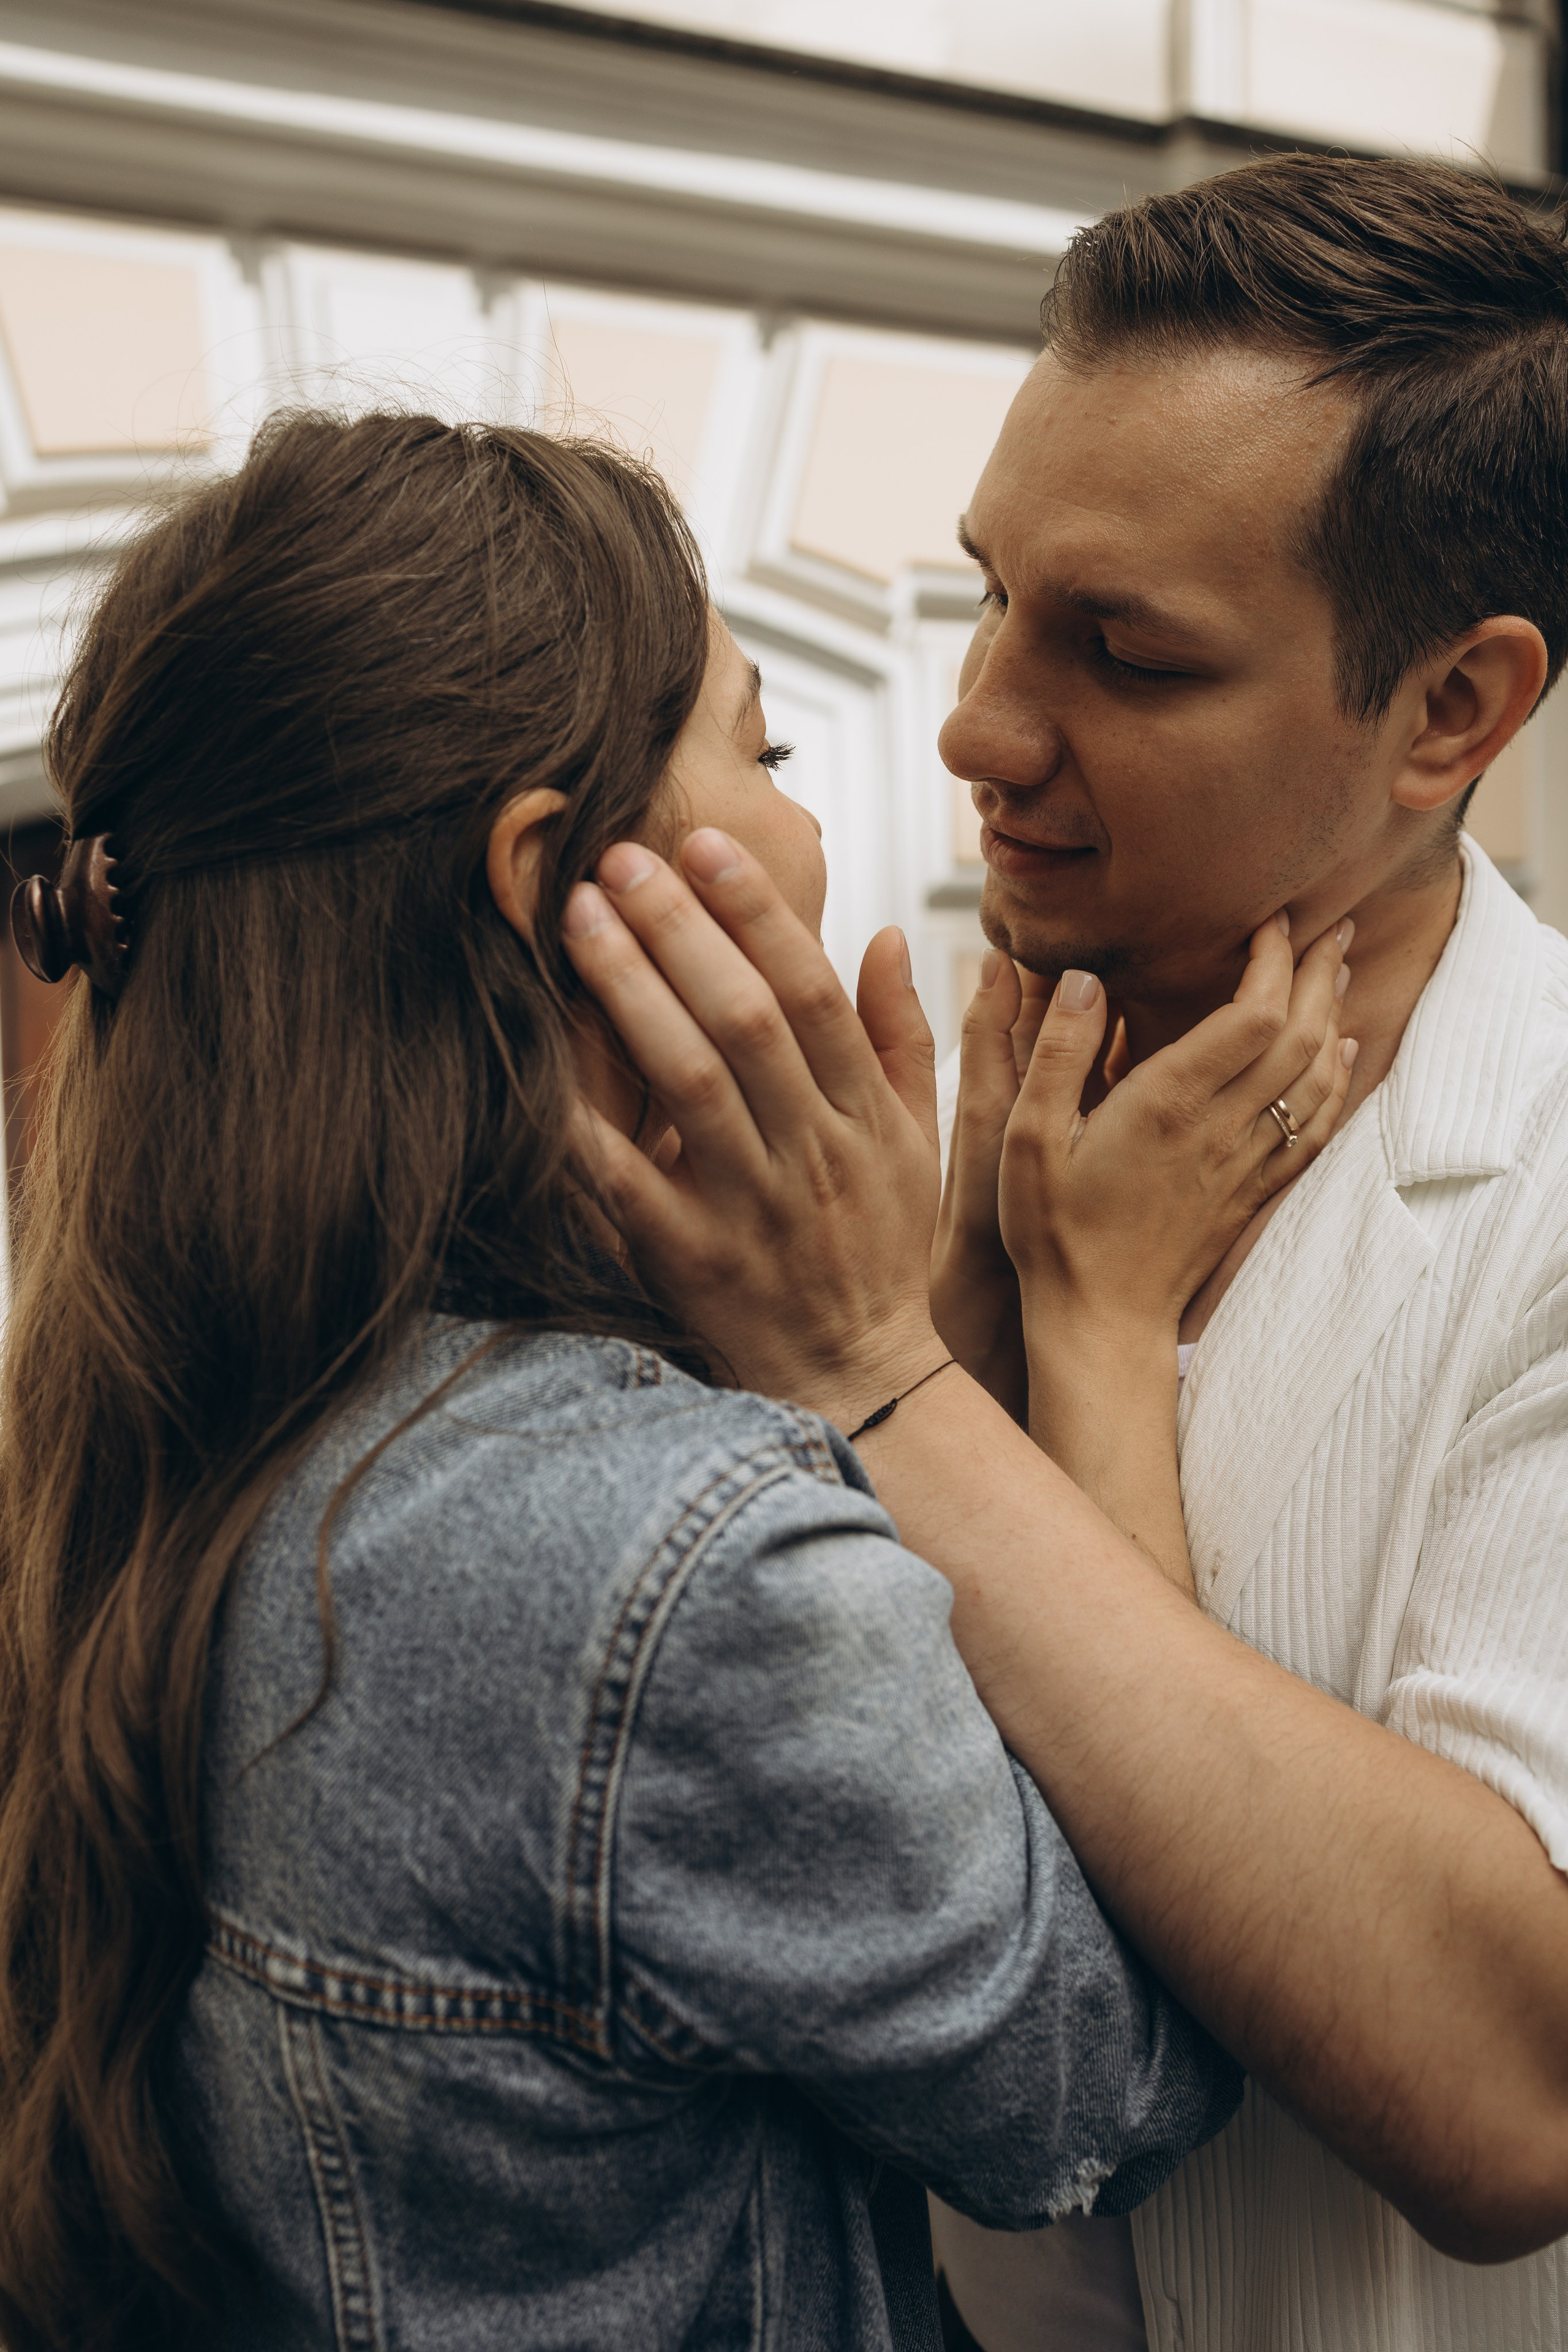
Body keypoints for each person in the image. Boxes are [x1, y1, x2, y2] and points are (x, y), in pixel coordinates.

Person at [0, 409, 1348, 2352]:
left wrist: (922, 1314)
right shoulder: (644, 1560)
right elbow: (1110, 2081)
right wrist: (1093, 1324)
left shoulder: (186, 1419)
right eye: (765, 749)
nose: (813, 829)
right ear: (563, 878)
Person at [569, 155, 1568, 2352]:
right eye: (995, 595)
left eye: (1123, 652)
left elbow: (1515, 2099)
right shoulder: (944, 1069)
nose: (977, 725)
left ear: (1450, 715)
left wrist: (875, 1380)